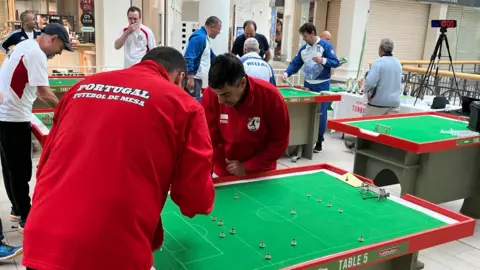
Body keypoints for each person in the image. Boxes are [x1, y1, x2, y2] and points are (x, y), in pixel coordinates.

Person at [22, 47, 215, 270]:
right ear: (181, 77)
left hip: (42, 239)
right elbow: (194, 199)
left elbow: (44, 164)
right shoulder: (184, 105)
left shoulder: (81, 87)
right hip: (112, 250)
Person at [0, 23, 72, 233]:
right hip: (14, 118)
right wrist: (67, 110)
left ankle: (16, 208)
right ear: (53, 39)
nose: (58, 54)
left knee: (10, 167)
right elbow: (44, 93)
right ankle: (26, 217)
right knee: (21, 171)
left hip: (6, 115)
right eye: (60, 48)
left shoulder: (24, 46)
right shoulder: (37, 53)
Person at [201, 53, 290, 177]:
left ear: (242, 83)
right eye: (217, 94)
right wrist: (206, 174)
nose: (220, 101)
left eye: (226, 94)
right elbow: (209, 140)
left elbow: (279, 143)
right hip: (223, 171)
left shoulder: (271, 97)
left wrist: (248, 167)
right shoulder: (210, 96)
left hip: (261, 172)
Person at [282, 23, 339, 153]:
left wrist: (323, 61)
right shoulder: (303, 49)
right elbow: (295, 63)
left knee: (321, 113)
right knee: (308, 112)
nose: (304, 39)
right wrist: (286, 73)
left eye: (306, 36)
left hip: (322, 84)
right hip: (308, 84)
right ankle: (306, 139)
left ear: (312, 33)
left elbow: (335, 62)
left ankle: (319, 141)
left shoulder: (325, 45)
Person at [345, 39, 402, 149]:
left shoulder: (378, 62)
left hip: (378, 102)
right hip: (394, 102)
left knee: (367, 126)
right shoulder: (398, 63)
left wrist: (365, 90)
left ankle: (360, 147)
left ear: (380, 49)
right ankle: (381, 149)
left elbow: (370, 82)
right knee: (387, 129)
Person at [184, 16, 222, 100]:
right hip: (194, 78)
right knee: (192, 103)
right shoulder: (199, 38)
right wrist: (190, 78)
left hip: (198, 78)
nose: (219, 32)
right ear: (212, 27)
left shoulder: (205, 38)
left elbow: (211, 56)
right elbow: (188, 57)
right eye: (219, 29)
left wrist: (225, 63)